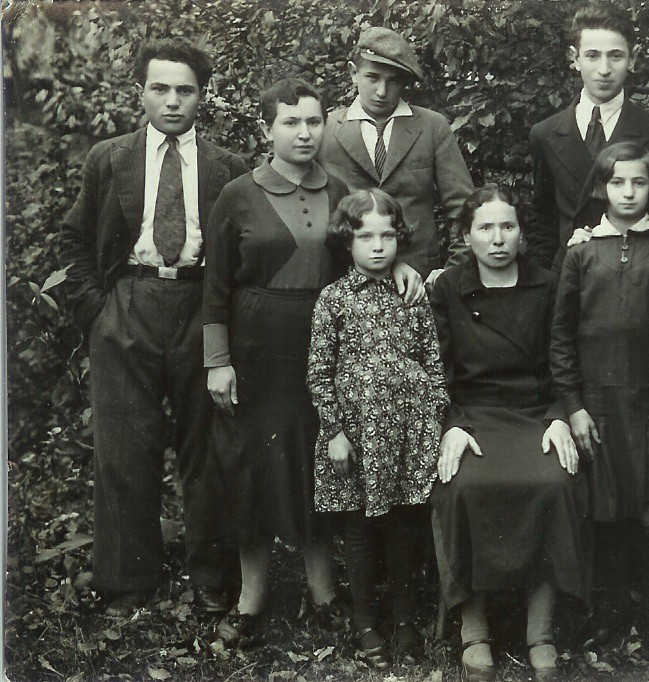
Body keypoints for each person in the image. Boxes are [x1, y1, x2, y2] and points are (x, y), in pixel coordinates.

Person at [201, 78, 422, 646]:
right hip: (255, 351)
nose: (304, 133)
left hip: (328, 350)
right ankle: (251, 601)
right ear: (267, 129)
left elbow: (370, 245)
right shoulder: (238, 195)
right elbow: (216, 286)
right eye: (291, 123)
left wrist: (398, 268)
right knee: (254, 469)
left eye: (313, 122)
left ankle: (324, 595)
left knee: (320, 466)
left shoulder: (343, 189)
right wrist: (217, 359)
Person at [55, 38, 246, 618]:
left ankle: (211, 575)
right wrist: (98, 310)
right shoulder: (109, 158)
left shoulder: (228, 167)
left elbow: (242, 257)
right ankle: (126, 580)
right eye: (159, 88)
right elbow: (72, 242)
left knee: (207, 448)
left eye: (184, 90)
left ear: (202, 96)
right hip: (128, 303)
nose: (171, 101)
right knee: (123, 448)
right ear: (140, 91)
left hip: (200, 308)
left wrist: (224, 332)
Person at [429, 185, 590, 681]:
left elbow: (565, 357)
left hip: (536, 412)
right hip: (473, 415)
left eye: (508, 227)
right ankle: (473, 628)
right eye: (485, 228)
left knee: (554, 483)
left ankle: (539, 631)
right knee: (464, 487)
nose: (498, 239)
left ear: (521, 233)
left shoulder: (547, 284)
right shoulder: (448, 288)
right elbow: (435, 369)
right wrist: (452, 425)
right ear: (465, 235)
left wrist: (562, 414)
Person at [550, 142, 649, 659]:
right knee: (605, 510)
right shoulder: (582, 251)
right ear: (601, 188)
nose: (627, 193)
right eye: (617, 183)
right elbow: (561, 335)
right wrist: (574, 405)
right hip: (598, 405)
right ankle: (608, 612)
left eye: (637, 183)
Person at [307, 188, 448, 668]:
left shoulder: (412, 292)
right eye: (366, 236)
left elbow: (431, 358)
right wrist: (335, 433)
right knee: (361, 530)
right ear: (347, 241)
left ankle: (406, 619)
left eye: (388, 235)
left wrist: (432, 413)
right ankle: (367, 622)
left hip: (408, 433)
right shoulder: (334, 299)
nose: (378, 246)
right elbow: (319, 372)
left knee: (406, 528)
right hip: (358, 436)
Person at [526, 2, 649, 270]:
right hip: (571, 284)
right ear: (574, 58)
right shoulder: (545, 134)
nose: (604, 69)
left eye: (615, 55)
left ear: (633, 58)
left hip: (640, 279)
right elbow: (543, 222)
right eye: (592, 55)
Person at [319, 26, 474, 283]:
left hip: (420, 280)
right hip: (345, 279)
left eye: (393, 81)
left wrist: (450, 273)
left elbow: (464, 209)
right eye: (372, 77)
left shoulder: (432, 126)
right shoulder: (326, 128)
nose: (382, 91)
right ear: (352, 72)